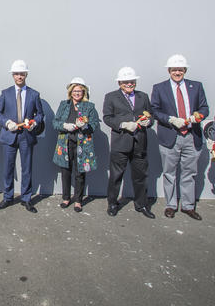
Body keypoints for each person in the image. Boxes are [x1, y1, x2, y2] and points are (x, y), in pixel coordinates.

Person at [151, 54, 209, 220]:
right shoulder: (160, 88)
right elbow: (154, 110)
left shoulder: (196, 86)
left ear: (185, 70)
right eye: (174, 69)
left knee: (189, 173)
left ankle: (188, 206)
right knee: (169, 173)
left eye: (180, 69)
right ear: (169, 70)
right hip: (171, 135)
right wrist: (170, 119)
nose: (177, 72)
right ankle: (171, 205)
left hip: (191, 135)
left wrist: (198, 116)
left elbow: (204, 108)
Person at [0, 60, 44, 213]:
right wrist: (7, 123)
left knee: (26, 169)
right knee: (8, 168)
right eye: (16, 74)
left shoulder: (34, 94)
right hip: (9, 135)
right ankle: (8, 197)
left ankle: (26, 199)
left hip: (26, 136)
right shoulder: (5, 93)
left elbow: (40, 114)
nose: (19, 76)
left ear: (26, 74)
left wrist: (34, 123)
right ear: (13, 75)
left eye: (22, 73)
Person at [103, 67, 155, 218]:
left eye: (131, 81)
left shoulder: (143, 96)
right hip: (121, 142)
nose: (129, 84)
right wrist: (123, 124)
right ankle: (112, 203)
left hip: (139, 142)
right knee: (115, 176)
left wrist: (148, 122)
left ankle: (142, 205)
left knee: (140, 176)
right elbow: (107, 117)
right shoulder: (111, 97)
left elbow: (150, 114)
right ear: (119, 83)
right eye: (126, 82)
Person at [52, 77, 100, 213]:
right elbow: (54, 122)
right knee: (65, 172)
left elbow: (95, 124)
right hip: (65, 142)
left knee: (80, 173)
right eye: (74, 91)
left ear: (84, 92)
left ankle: (78, 200)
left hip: (82, 145)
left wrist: (85, 126)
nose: (77, 93)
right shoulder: (64, 104)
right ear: (70, 92)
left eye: (79, 91)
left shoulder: (89, 106)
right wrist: (64, 126)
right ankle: (66, 198)